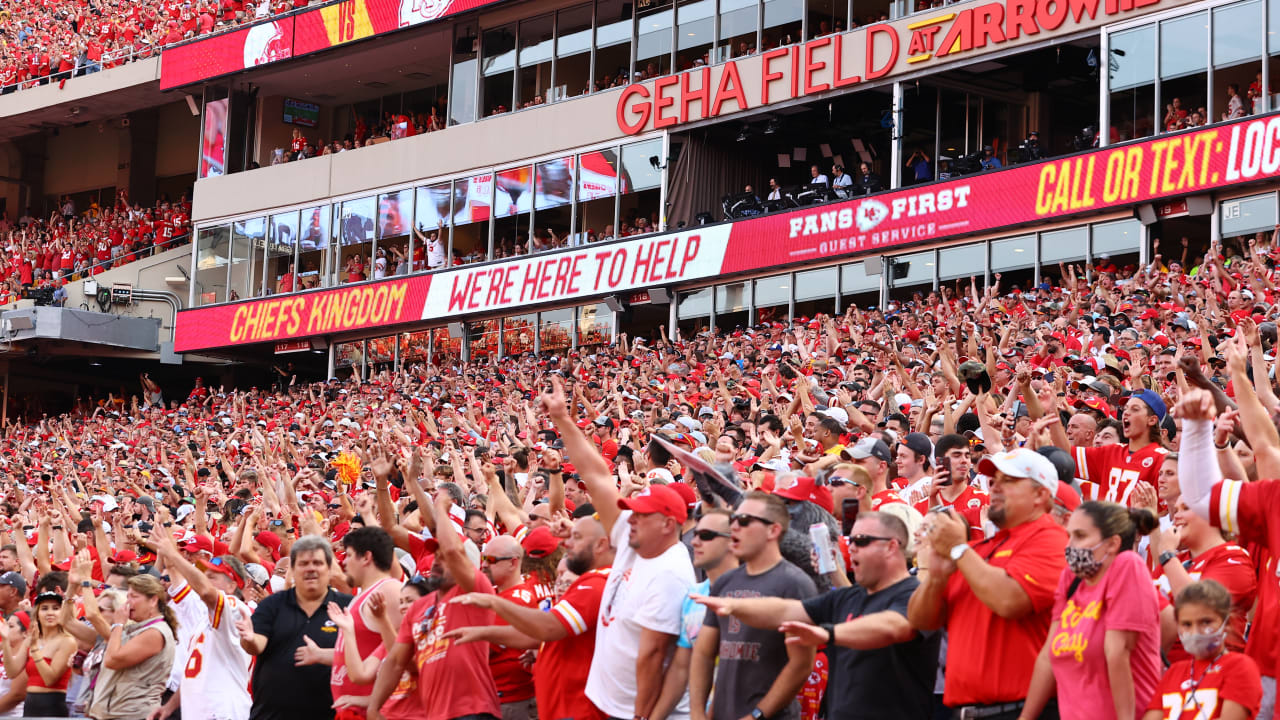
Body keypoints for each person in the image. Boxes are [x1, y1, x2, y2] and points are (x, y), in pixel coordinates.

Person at [541, 377, 695, 720]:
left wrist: (641, 715)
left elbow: (654, 655)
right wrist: (563, 419)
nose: (631, 520)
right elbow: (596, 477)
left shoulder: (671, 572)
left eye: (642, 515)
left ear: (669, 525)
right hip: (608, 704)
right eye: (633, 512)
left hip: (636, 713)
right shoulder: (635, 536)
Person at [695, 512, 938, 720]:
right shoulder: (848, 597)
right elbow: (785, 610)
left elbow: (893, 626)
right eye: (851, 539)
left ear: (891, 546)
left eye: (862, 541)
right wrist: (735, 606)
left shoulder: (914, 595)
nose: (851, 546)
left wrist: (828, 633)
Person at [908, 448, 1068, 720]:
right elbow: (921, 621)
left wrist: (958, 549)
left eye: (1008, 481)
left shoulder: (1053, 540)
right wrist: (935, 577)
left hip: (1021, 709)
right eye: (992, 480)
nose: (994, 486)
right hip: (965, 711)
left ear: (1041, 495)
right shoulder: (978, 549)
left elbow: (1010, 601)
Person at [447, 514, 616, 720]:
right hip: (561, 706)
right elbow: (536, 636)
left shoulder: (595, 584)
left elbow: (549, 627)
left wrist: (494, 603)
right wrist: (480, 632)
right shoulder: (597, 580)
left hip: (577, 708)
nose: (566, 543)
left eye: (576, 537)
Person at [1018, 501, 1162, 720]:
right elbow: (1048, 657)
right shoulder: (1071, 579)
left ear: (1112, 543)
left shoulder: (1127, 565)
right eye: (1070, 536)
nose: (1070, 545)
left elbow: (1117, 652)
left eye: (1081, 536)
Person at [368, 490, 499, 720]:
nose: (437, 561)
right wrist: (374, 707)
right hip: (434, 714)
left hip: (472, 711)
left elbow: (452, 550)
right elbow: (396, 661)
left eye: (444, 558)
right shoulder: (418, 607)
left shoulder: (474, 589)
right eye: (435, 556)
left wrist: (440, 510)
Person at [688, 492, 817, 720]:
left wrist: (757, 715)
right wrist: (697, 712)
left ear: (773, 530)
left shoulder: (795, 583)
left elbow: (801, 664)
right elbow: (704, 653)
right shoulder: (727, 581)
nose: (735, 526)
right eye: (733, 520)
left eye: (745, 521)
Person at [235, 535, 354, 720]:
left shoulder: (348, 607)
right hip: (272, 714)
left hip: (331, 714)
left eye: (318, 563)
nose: (311, 568)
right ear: (293, 569)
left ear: (330, 569)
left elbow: (366, 655)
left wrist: (324, 655)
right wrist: (249, 638)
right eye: (304, 563)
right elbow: (257, 644)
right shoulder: (272, 604)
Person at [147, 528, 253, 720]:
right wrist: (169, 707)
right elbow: (192, 675)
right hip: (200, 711)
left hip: (223, 712)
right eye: (205, 574)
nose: (205, 580)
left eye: (213, 576)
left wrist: (172, 554)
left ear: (232, 585)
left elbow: (205, 592)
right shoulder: (205, 618)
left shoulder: (235, 608)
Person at [1143, 580, 1261, 720]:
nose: (1195, 632)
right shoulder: (1173, 672)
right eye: (1187, 624)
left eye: (1205, 622)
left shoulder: (1239, 666)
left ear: (1227, 623)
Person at [333, 526, 404, 719]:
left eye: (348, 555)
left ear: (366, 557)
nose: (344, 562)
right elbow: (369, 650)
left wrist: (371, 701)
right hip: (353, 710)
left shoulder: (389, 591)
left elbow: (402, 657)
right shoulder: (365, 593)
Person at [88, 575, 178, 720]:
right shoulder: (137, 629)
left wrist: (118, 624)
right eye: (128, 596)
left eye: (134, 597)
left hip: (135, 713)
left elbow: (112, 661)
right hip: (118, 712)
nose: (128, 602)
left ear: (153, 600)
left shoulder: (155, 632)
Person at [3, 591, 74, 717]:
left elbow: (50, 679)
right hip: (30, 707)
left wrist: (35, 649)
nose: (50, 613)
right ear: (37, 614)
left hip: (52, 707)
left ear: (62, 613)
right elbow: (11, 672)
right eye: (44, 608)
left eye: (56, 608)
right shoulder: (30, 640)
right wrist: (6, 641)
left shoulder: (67, 641)